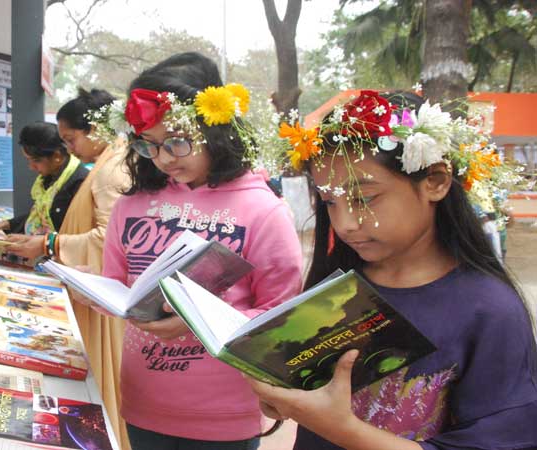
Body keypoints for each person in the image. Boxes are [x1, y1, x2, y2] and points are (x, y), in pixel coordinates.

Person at [245, 90, 537, 449]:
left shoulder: (489, 311)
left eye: (364, 199)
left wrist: (340, 427)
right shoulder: (336, 290)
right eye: (330, 202)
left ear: (436, 181)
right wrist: (283, 397)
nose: (345, 223)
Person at [94, 52, 303, 449]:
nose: (163, 159)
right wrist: (102, 296)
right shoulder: (131, 205)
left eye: (177, 141)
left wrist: (197, 321)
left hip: (224, 413)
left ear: (215, 129)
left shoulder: (262, 210)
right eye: (149, 146)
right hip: (142, 401)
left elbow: (281, 315)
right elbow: (115, 284)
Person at [5, 88, 132, 448]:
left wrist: (50, 244)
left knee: (100, 379)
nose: (69, 148)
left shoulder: (109, 171)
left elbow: (109, 240)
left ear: (95, 130)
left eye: (71, 139)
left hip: (98, 291)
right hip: (89, 285)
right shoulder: (107, 163)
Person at [0, 122, 88, 235]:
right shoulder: (48, 179)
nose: (31, 167)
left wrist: (43, 245)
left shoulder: (80, 183)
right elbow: (39, 216)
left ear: (57, 156)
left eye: (36, 160)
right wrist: (1, 225)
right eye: (28, 160)